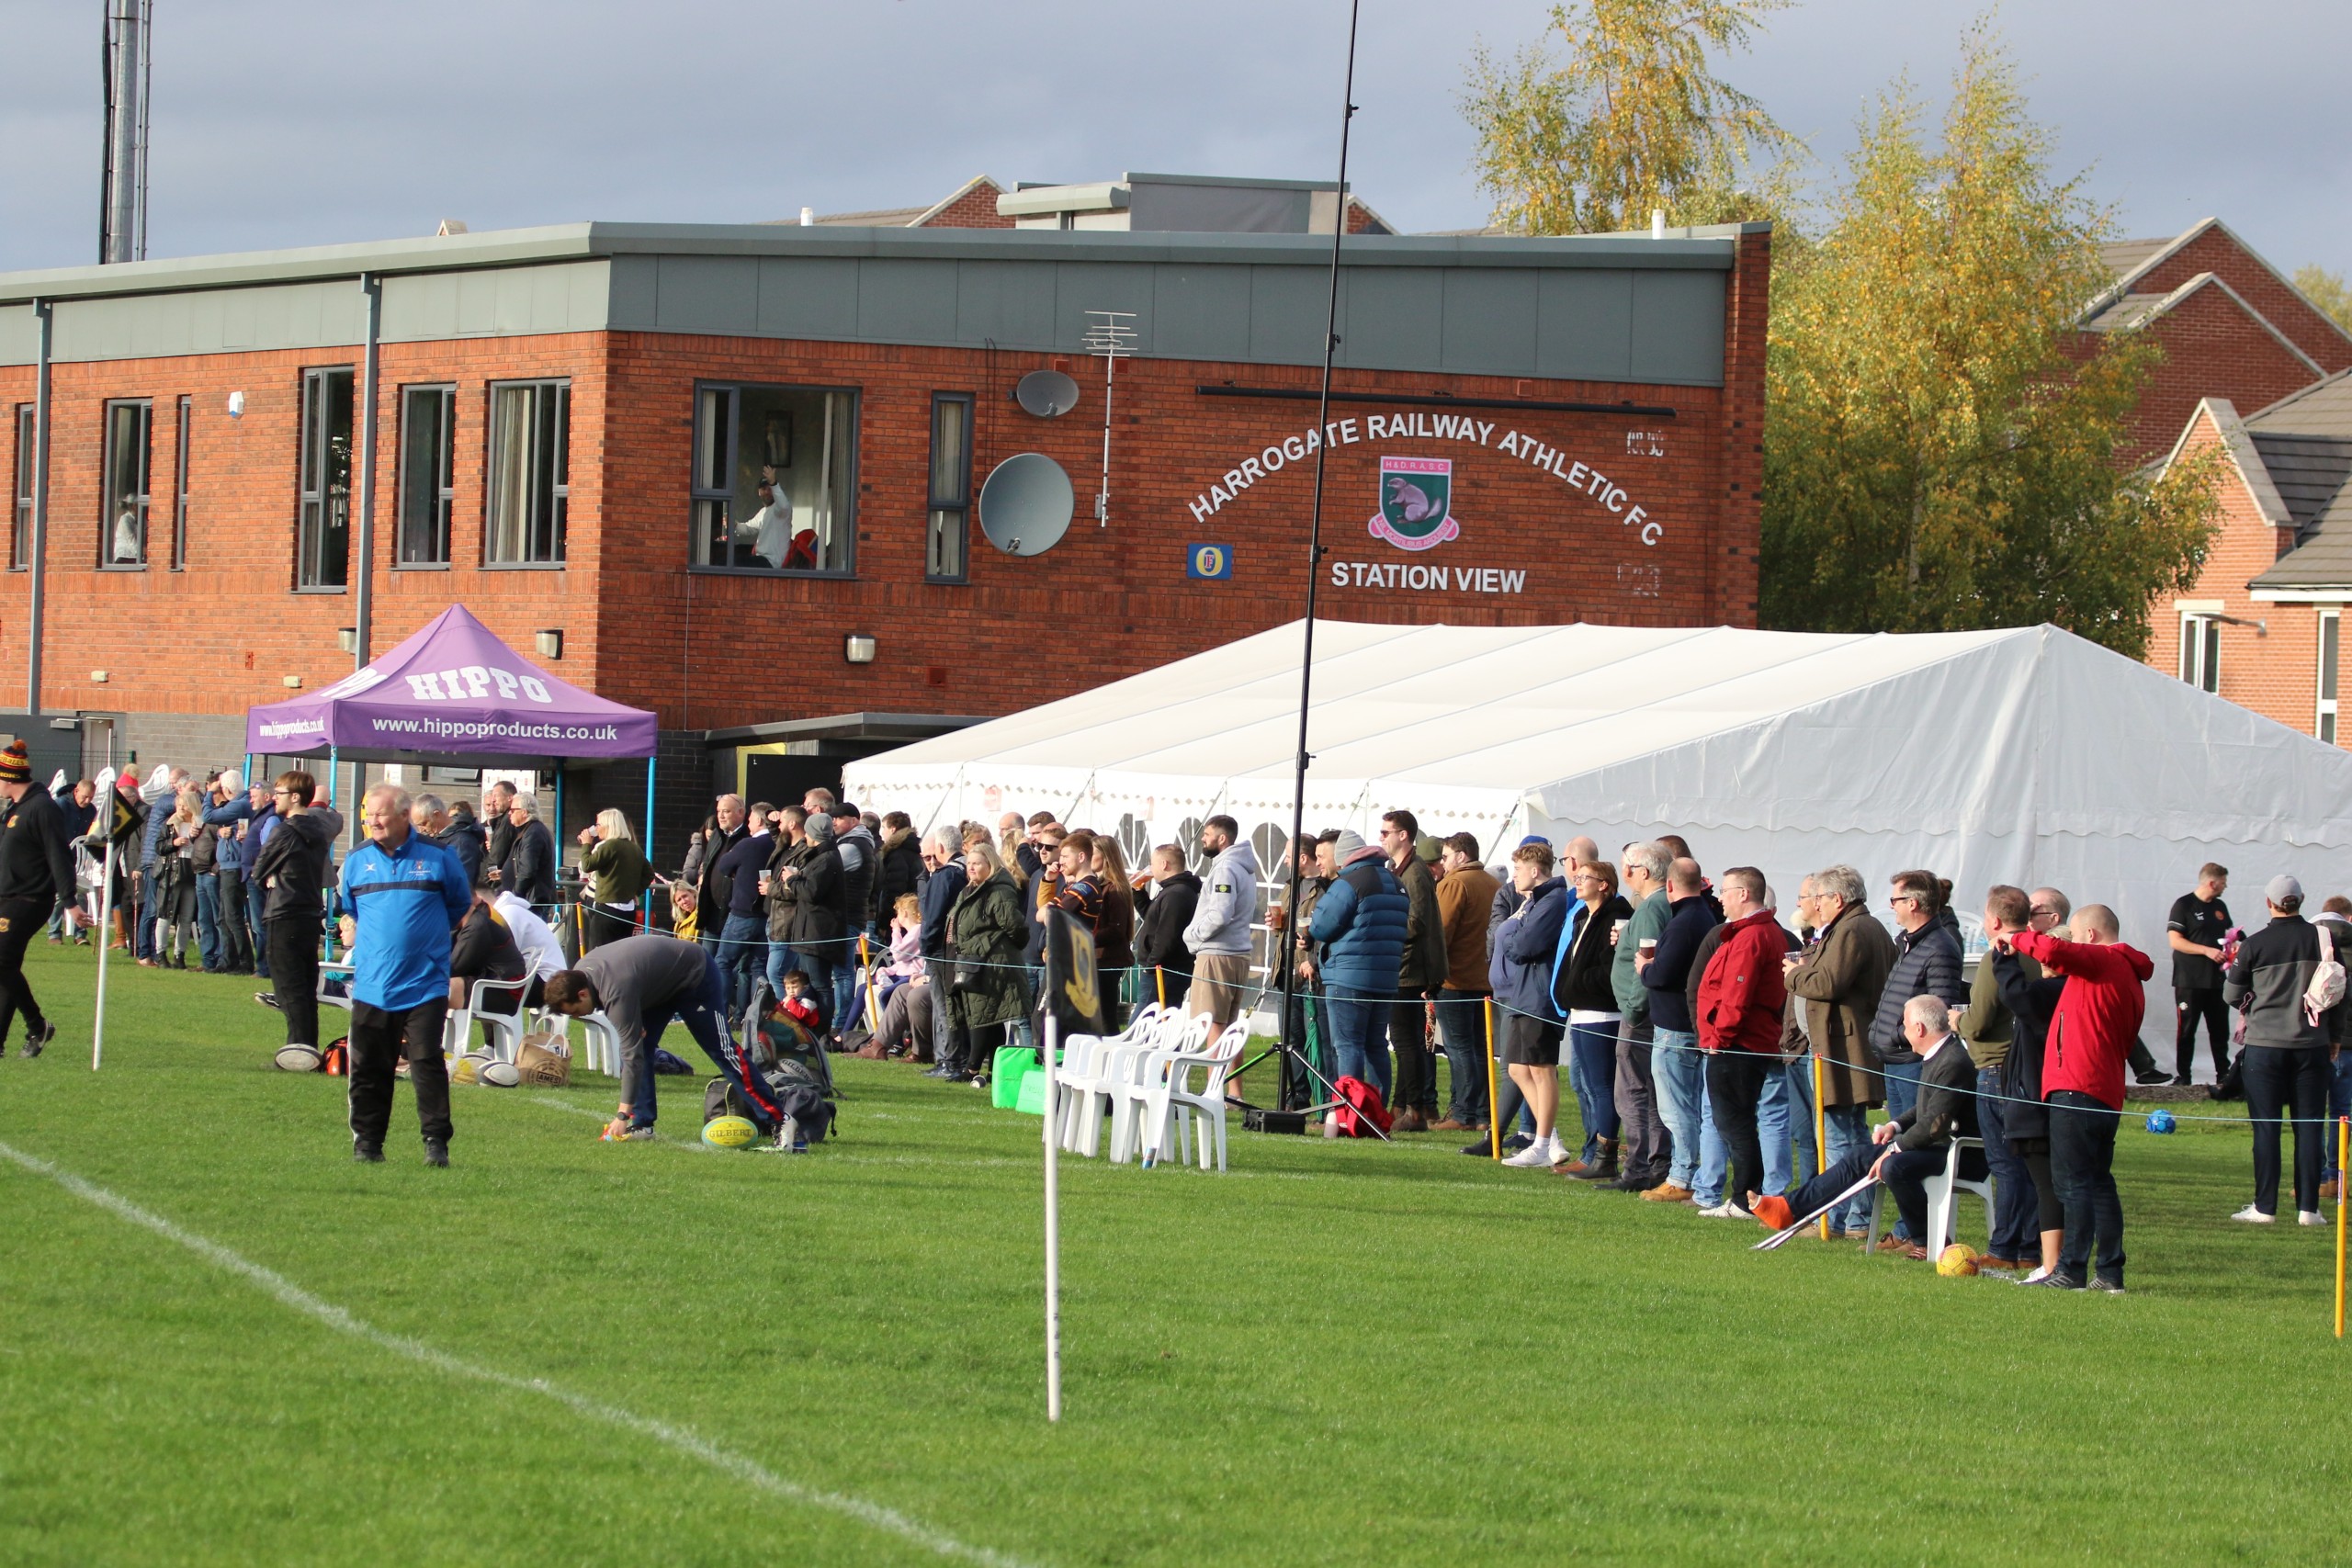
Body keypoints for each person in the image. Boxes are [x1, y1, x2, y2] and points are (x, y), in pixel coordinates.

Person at [1752, 997, 1979, 1255]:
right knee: (1860, 1155)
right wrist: (1894, 1126)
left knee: (1894, 1166)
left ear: (1919, 1029)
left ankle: (1927, 1240)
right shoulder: (1940, 1054)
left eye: (1905, 1025)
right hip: (1941, 1147)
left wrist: (1894, 1149)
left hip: (1964, 1155)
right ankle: (1789, 1208)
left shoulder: (1952, 1061)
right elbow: (1925, 1109)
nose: (1903, 1032)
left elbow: (1934, 1124)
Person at [2006, 904, 2152, 1292]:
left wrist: (2013, 937)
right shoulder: (2124, 971)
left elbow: (2053, 951)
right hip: (2103, 1089)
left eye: (2075, 934)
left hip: (2078, 1086)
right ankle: (2109, 1272)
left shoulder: (2104, 961)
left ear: (2089, 936)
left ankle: (2071, 1270)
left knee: (2072, 1183)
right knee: (2098, 1182)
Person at [546, 933, 792, 1147]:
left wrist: (622, 1115)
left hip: (695, 975)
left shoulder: (615, 990)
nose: (578, 1017)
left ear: (582, 993)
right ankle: (642, 1124)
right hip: (658, 986)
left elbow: (631, 1057)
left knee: (722, 1051)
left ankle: (780, 1120)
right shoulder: (582, 974)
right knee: (641, 1046)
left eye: (575, 1011)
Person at [338, 784, 471, 1166]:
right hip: (373, 984)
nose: (373, 821)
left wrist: (422, 940)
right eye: (368, 815)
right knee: (370, 1066)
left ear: (403, 815)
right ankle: (368, 1144)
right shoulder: (357, 859)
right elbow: (352, 909)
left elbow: (458, 905)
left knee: (426, 1061)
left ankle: (435, 1143)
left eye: (380, 814)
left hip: (425, 983)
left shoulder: (439, 857)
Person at [2222, 874, 2342, 1226]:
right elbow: (2340, 992)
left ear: (2268, 903)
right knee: (2309, 1126)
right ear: (2301, 900)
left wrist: (2256, 1005)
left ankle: (2265, 1207)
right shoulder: (2323, 939)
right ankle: (2308, 1209)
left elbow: (2231, 994)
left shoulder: (2255, 944)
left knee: (2267, 1127)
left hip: (2264, 1047)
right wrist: (2334, 1036)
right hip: (2312, 1044)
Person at [1783, 864, 1894, 1239]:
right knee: (1849, 1133)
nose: (1815, 905)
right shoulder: (1860, 926)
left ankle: (1843, 1219)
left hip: (1844, 1047)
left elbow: (1829, 983)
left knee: (1839, 1136)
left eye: (1819, 898)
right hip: (1842, 1045)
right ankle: (1854, 1218)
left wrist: (1794, 974)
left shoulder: (1852, 929)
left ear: (1837, 898)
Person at [1693, 867, 1787, 1217]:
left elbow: (1736, 996)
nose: (1720, 898)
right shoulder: (1755, 932)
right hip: (1742, 1042)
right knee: (1737, 1122)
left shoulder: (1752, 936)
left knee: (1735, 1123)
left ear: (1744, 894)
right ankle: (1747, 1196)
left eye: (1725, 890)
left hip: (1737, 1045)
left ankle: (1745, 1198)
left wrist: (1719, 1038)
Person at [1961, 885, 2045, 1270]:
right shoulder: (2039, 954)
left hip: (1996, 1069)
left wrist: (1956, 1021)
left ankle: (2004, 1248)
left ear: (1994, 920)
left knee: (2006, 1164)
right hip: (2031, 1069)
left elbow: (1977, 1022)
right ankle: (2029, 1248)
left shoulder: (1996, 957)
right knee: (2030, 1164)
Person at [1988, 905, 2065, 1281]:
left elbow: (2017, 996)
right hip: (2053, 1097)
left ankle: (2052, 1264)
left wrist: (2004, 959)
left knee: (2048, 1184)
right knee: (2063, 1183)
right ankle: (2062, 1262)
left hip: (2038, 1098)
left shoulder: (2054, 991)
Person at [1638, 856, 1722, 1203]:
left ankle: (1682, 1175)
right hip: (1690, 1025)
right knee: (1693, 1107)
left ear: (1670, 885)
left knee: (1677, 1108)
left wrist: (1645, 967)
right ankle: (1693, 1174)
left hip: (1675, 1027)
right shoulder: (1704, 915)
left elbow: (1663, 974)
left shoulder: (1684, 922)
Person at [250, 772, 346, 1063]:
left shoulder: (284, 831)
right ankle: (307, 1046)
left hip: (283, 911)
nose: (275, 799)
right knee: (305, 986)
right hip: (309, 912)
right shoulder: (320, 830)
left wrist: (271, 876)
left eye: (279, 793)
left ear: (295, 797)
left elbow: (258, 870)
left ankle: (298, 1049)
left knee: (288, 985)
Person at [1307, 829, 1408, 1105]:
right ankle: (1375, 1112)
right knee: (1376, 1046)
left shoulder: (1348, 882)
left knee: (1347, 1045)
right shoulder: (1395, 881)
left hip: (1348, 977)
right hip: (1385, 978)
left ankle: (1349, 1111)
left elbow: (1321, 926)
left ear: (1344, 858)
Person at [0, 740, 85, 1056]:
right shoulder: (15, 808)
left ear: (8, 778)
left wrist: (70, 902)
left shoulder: (42, 808)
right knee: (7, 967)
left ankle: (37, 1025)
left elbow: (59, 855)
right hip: (8, 896)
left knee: (2, 961)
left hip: (30, 899)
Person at [1491, 840, 1571, 1167]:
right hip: (1523, 994)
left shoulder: (1552, 900)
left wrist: (1512, 937)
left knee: (1541, 1068)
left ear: (1535, 871)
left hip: (1539, 996)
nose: (1514, 876)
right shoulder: (1535, 900)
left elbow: (1524, 945)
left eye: (1519, 869)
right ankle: (1550, 1140)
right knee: (1517, 1067)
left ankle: (1543, 1143)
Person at [1554, 860, 1631, 1179]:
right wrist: (1568, 989)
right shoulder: (1582, 916)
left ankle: (1606, 1156)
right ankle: (1593, 1152)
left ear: (1603, 884)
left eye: (1585, 876)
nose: (1577, 880)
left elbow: (1611, 967)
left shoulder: (1615, 917)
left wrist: (1576, 985)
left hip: (1602, 1013)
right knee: (1586, 1084)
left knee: (1602, 1086)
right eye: (1578, 875)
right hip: (1581, 1011)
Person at [1608, 841, 1675, 1193]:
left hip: (1640, 1015)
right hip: (1647, 1013)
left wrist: (1633, 1009)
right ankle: (1654, 1164)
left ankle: (1639, 1167)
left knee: (1634, 1092)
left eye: (1628, 866)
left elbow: (1646, 963)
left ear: (1643, 872)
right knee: (1647, 1090)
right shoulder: (1656, 905)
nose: (1625, 873)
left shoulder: (1651, 907)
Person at [1871, 871, 1964, 1122]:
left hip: (1913, 1062)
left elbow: (1940, 1011)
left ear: (1912, 903)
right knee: (1897, 1133)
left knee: (1917, 1134)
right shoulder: (1910, 943)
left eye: (1895, 900)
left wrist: (1895, 1035)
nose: (1892, 906)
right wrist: (1879, 1030)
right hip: (1896, 1059)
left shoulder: (1939, 947)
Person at [1183, 816, 1262, 1094]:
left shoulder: (1226, 868)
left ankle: (1214, 1091)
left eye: (1207, 834)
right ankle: (1234, 1092)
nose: (1203, 839)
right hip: (1238, 954)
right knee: (1229, 1025)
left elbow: (1220, 914)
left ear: (1222, 838)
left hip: (1218, 954)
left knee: (1213, 1024)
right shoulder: (1243, 868)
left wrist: (1192, 935)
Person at [1380, 809, 1447, 1133]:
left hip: (1410, 968)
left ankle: (1416, 1109)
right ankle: (1401, 1105)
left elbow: (1416, 921)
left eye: (1386, 832)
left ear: (1403, 835)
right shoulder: (1405, 869)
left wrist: (1385, 931)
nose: (1382, 838)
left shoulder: (1416, 872)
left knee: (1407, 1042)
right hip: (1405, 966)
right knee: (1405, 1041)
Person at [944, 839, 1027, 1084]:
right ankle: (994, 1069)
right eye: (969, 863)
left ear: (990, 865)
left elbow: (1014, 926)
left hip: (992, 962)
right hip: (973, 960)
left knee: (983, 1015)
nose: (971, 867)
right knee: (990, 1016)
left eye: (977, 863)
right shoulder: (969, 890)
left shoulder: (999, 890)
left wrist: (990, 944)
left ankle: (972, 1069)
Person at [1434, 832, 1500, 1133]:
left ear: (1461, 856)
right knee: (1479, 1048)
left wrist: (1431, 975)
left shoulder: (1455, 883)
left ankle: (1464, 1113)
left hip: (1456, 979)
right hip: (1485, 979)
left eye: (1446, 857)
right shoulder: (1493, 884)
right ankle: (1483, 1114)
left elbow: (1441, 933)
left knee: (1460, 1048)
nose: (1443, 863)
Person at [2168, 863, 2234, 1085]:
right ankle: (2184, 1076)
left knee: (2220, 1031)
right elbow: (2175, 941)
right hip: (2189, 981)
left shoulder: (2220, 907)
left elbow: (2231, 935)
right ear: (2212, 883)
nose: (2225, 886)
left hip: (2216, 980)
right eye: (2223, 882)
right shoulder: (2184, 905)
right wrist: (2207, 950)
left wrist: (2236, 946)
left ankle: (2223, 1075)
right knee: (2187, 1030)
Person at [708, 801, 773, 1018]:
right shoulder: (779, 844)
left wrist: (738, 872)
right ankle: (756, 1015)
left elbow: (724, 865)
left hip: (743, 914)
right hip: (767, 915)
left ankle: (720, 1011)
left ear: (759, 820)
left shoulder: (748, 844)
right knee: (759, 968)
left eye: (750, 819)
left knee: (723, 963)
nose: (748, 823)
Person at [916, 832, 970, 1076]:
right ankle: (954, 1059)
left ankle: (951, 1061)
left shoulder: (946, 875)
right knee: (954, 1007)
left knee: (945, 1007)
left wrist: (926, 947)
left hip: (941, 950)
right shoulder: (967, 870)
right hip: (959, 949)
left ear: (940, 847)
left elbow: (933, 918)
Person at [1133, 843, 1201, 1011]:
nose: (1150, 869)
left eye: (1152, 864)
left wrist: (1151, 966)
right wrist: (1138, 892)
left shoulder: (1176, 893)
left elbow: (1166, 936)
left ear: (1164, 864)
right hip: (1164, 969)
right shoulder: (1172, 890)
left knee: (1142, 1022)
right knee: (1161, 1022)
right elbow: (1153, 919)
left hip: (1164, 972)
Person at [577, 807, 651, 952]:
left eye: (598, 825)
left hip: (606, 910)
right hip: (628, 912)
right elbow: (649, 874)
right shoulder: (634, 848)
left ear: (609, 826)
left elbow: (587, 865)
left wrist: (586, 844)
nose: (596, 829)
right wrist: (635, 892)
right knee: (620, 954)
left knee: (599, 954)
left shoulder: (609, 845)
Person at [695, 795, 748, 973]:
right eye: (719, 811)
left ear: (741, 812)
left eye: (726, 811)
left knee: (731, 967)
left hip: (735, 913)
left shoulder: (748, 837)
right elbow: (707, 862)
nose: (721, 816)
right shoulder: (717, 835)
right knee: (706, 964)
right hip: (712, 912)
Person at [48, 777, 98, 946]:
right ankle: (54, 933)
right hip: (59, 856)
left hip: (78, 859)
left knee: (81, 894)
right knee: (59, 894)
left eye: (91, 797)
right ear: (76, 791)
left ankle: (80, 934)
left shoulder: (91, 810)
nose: (87, 801)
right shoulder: (61, 804)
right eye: (85, 797)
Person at [413, 793, 484, 888]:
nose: (421, 830)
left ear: (437, 815)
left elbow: (463, 883)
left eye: (424, 823)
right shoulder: (437, 838)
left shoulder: (462, 842)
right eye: (418, 825)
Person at [499, 794, 558, 911]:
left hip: (532, 901)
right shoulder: (527, 831)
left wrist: (515, 896)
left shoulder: (533, 833)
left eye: (512, 810)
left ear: (524, 812)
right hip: (528, 899)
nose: (509, 813)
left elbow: (528, 870)